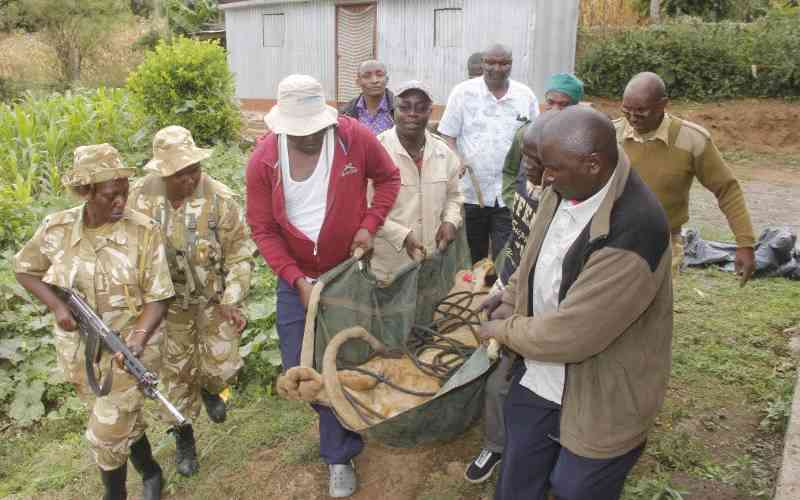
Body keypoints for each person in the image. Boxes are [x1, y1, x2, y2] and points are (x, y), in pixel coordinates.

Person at [479, 106, 673, 500]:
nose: (544, 179)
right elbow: (534, 256)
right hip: (539, 372)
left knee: (576, 487)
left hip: (602, 387)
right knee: (518, 478)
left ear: (593, 164)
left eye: (553, 169)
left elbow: (572, 334)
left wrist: (500, 329)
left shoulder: (635, 230)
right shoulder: (567, 186)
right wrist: (512, 294)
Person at [246, 74, 400, 498]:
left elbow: (388, 180)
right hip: (296, 278)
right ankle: (341, 419)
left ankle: (339, 454)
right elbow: (261, 228)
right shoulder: (263, 160)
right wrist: (296, 280)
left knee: (346, 358)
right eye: (300, 133)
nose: (310, 138)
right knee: (302, 364)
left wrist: (369, 226)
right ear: (280, 127)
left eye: (316, 129)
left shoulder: (353, 139)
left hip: (346, 272)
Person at [15, 144, 175, 500]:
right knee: (118, 417)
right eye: (110, 195)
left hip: (132, 346)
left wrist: (136, 339)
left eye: (124, 192)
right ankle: (150, 471)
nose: (121, 201)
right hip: (80, 352)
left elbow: (159, 296)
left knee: (106, 431)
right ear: (86, 192)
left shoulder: (143, 231)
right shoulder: (56, 228)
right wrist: (57, 307)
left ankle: (114, 494)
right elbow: (25, 270)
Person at [127, 125, 255, 477]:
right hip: (166, 307)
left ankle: (213, 389)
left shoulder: (219, 199)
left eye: (193, 170)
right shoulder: (138, 198)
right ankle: (183, 433)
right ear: (161, 172)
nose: (189, 178)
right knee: (175, 374)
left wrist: (232, 297)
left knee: (222, 366)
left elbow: (240, 255)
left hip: (213, 300)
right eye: (178, 173)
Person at [463, 110, 559, 484]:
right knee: (499, 378)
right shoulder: (524, 174)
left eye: (538, 161)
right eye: (526, 158)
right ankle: (496, 443)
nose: (530, 168)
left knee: (519, 379)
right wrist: (503, 287)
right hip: (516, 281)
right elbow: (521, 245)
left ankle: (533, 449)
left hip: (543, 301)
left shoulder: (562, 196)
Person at [616, 71, 756, 282]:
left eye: (641, 111)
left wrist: (745, 243)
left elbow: (727, 189)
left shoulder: (692, 140)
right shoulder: (609, 135)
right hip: (613, 241)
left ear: (663, 104)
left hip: (663, 245)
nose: (633, 117)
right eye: (627, 110)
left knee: (656, 310)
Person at [438, 43, 539, 263]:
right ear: (482, 63)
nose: (497, 68)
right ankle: (473, 293)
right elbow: (448, 136)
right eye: (491, 62)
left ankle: (499, 293)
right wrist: (457, 159)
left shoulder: (525, 96)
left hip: (509, 194)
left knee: (507, 256)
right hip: (470, 194)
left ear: (511, 65)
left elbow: (534, 140)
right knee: (472, 257)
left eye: (504, 63)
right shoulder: (463, 93)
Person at [370, 80, 463, 283]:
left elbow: (454, 196)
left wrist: (450, 221)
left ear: (430, 112)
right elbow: (362, 208)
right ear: (394, 110)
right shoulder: (375, 151)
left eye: (420, 108)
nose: (412, 114)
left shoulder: (444, 153)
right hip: (390, 268)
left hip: (432, 263)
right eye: (405, 107)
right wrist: (401, 235)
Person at [340, 60, 395, 136]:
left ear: (387, 79)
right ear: (358, 82)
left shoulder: (399, 108)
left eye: (379, 75)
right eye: (367, 76)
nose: (374, 80)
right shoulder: (346, 112)